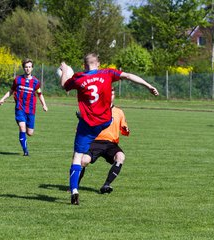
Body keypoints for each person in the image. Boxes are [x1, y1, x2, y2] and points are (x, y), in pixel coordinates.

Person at [60, 53, 159, 205]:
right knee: (108, 119)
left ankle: (74, 190)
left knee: (77, 157)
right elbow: (128, 76)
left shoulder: (79, 77)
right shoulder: (107, 73)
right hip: (105, 121)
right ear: (98, 63)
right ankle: (103, 120)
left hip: (87, 125)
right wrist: (148, 86)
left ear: (84, 65)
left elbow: (64, 86)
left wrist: (65, 69)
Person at [79, 87, 130, 194]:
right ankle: (74, 186)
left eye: (112, 94)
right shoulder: (95, 109)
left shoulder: (119, 112)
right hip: (95, 142)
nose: (110, 96)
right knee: (83, 161)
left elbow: (125, 131)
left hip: (111, 144)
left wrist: (126, 130)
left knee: (120, 157)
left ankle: (106, 185)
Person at [0, 58, 48, 156]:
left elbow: (40, 94)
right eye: (26, 67)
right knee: (22, 127)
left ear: (32, 68)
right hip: (20, 108)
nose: (28, 69)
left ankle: (25, 130)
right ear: (23, 68)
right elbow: (11, 91)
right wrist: (3, 99)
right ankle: (25, 151)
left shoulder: (35, 82)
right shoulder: (18, 79)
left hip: (30, 110)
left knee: (30, 133)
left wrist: (44, 105)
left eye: (29, 67)